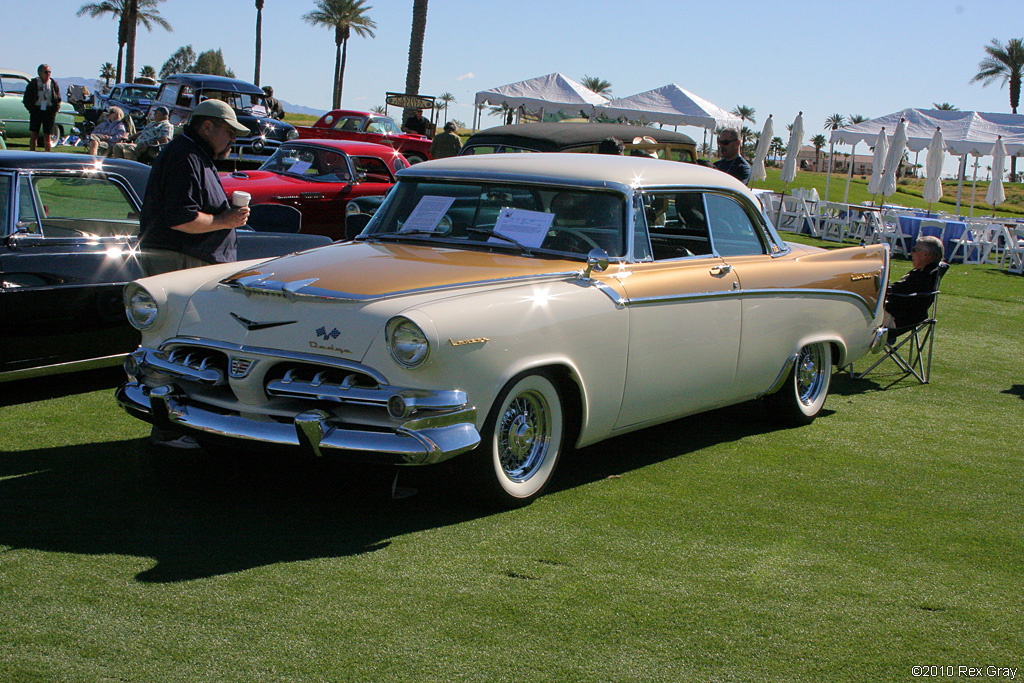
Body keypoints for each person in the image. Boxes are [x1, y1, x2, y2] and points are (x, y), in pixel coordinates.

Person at [138, 99, 250, 277]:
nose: (233, 139)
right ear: (207, 127)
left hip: (186, 260)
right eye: (229, 132)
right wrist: (225, 220)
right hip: (180, 262)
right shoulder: (185, 156)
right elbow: (182, 218)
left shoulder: (194, 153)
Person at [882, 235, 944, 330]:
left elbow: (898, 291)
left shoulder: (923, 276)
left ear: (925, 254)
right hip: (911, 318)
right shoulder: (928, 273)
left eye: (914, 250)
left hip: (898, 320)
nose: (911, 253)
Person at [22, 64, 62, 152]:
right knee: (34, 134)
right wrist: (31, 108)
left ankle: (47, 153)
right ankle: (32, 152)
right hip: (36, 109)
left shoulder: (53, 83)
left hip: (49, 110)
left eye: (49, 72)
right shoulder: (34, 83)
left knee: (47, 135)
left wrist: (55, 109)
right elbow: (26, 98)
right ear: (40, 73)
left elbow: (58, 98)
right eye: (46, 72)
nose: (48, 74)